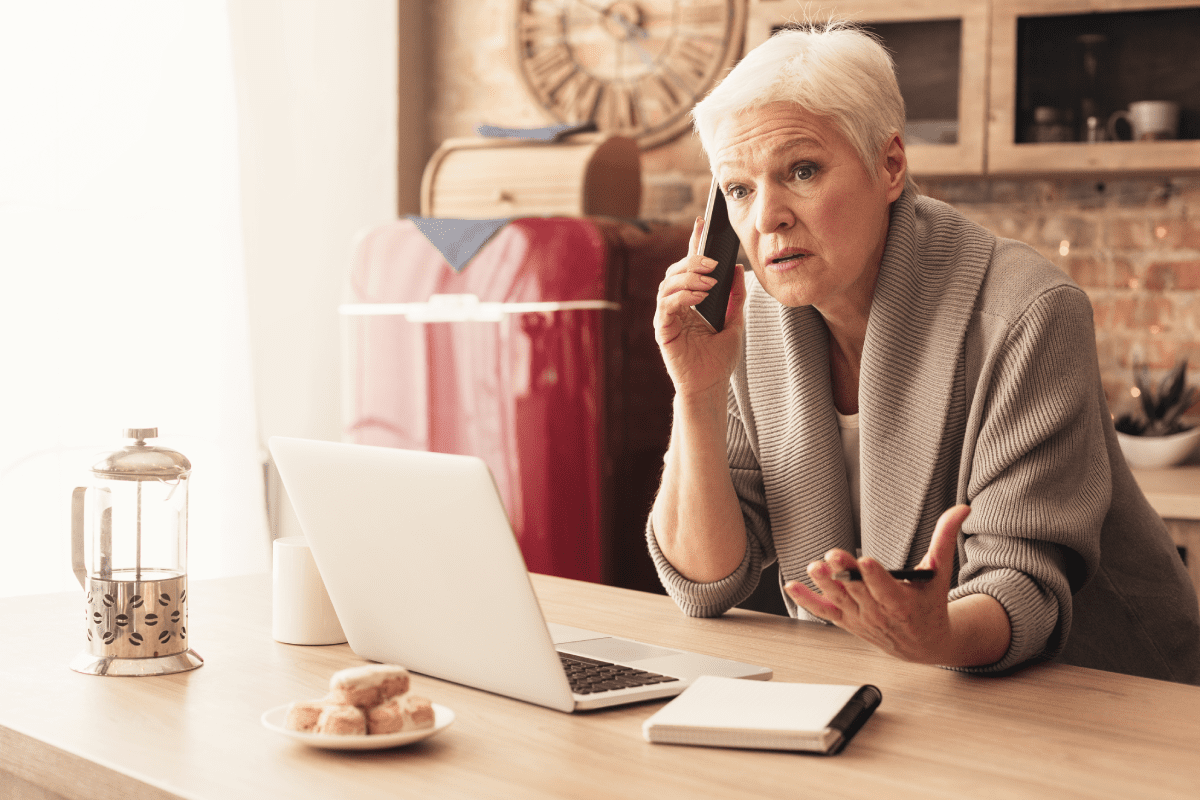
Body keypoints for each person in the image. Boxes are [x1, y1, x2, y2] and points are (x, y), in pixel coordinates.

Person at [647, 21, 1200, 683]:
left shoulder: (1029, 311)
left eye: (801, 171)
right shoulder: (751, 320)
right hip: (904, 689)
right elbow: (704, 584)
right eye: (739, 189)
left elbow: (1023, 585)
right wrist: (699, 394)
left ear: (890, 166)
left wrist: (933, 633)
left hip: (1105, 697)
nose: (767, 217)